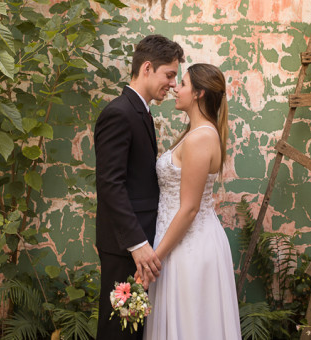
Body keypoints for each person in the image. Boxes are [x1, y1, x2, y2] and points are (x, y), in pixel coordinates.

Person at [141, 63, 243, 340]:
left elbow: (189, 209)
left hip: (188, 246)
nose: (175, 88)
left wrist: (154, 261)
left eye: (182, 84)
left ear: (198, 93)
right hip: (176, 241)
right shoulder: (195, 134)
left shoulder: (200, 138)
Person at [93, 35, 184, 340]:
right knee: (118, 330)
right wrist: (137, 244)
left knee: (132, 329)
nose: (173, 84)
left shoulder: (140, 111)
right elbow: (110, 185)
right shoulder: (119, 113)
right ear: (147, 68)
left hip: (139, 243)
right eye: (169, 75)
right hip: (125, 246)